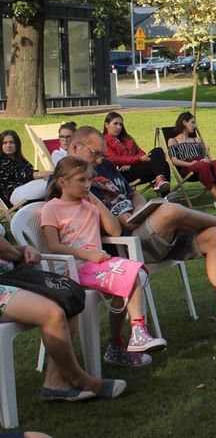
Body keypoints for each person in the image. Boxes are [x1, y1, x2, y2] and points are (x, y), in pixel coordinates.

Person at [67, 126, 216, 335]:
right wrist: (118, 220)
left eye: (102, 154)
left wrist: (139, 208)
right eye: (96, 154)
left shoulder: (106, 166)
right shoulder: (69, 181)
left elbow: (133, 194)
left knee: (213, 236)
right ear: (75, 147)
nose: (100, 160)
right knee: (169, 211)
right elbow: (80, 228)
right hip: (126, 245)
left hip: (147, 229)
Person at [42, 157, 167, 368]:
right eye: (81, 180)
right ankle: (129, 338)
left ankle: (128, 338)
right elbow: (53, 246)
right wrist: (86, 255)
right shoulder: (52, 208)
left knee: (136, 273)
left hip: (97, 265)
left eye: (89, 180)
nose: (87, 185)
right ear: (62, 182)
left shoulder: (90, 205)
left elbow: (115, 231)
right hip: (74, 268)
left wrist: (97, 202)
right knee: (132, 274)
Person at [0, 232, 126, 401]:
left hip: (10, 275)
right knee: (52, 314)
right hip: (6, 281)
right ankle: (80, 379)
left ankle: (55, 382)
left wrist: (23, 249)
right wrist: (18, 254)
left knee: (66, 298)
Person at [168, 111, 216, 210]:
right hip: (187, 167)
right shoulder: (173, 141)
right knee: (203, 166)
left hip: (202, 163)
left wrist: (207, 160)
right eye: (192, 122)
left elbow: (206, 156)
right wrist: (189, 164)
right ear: (184, 122)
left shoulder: (197, 140)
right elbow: (174, 160)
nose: (195, 125)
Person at [103, 112, 171, 196]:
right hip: (123, 173)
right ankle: (166, 195)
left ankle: (160, 181)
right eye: (115, 124)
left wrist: (132, 162)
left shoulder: (126, 138)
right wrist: (137, 159)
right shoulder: (103, 141)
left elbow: (141, 153)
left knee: (158, 151)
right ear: (106, 124)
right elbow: (114, 159)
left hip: (134, 167)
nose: (119, 127)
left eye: (120, 124)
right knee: (163, 164)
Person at [0, 130, 50, 206]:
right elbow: (21, 174)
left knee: (54, 181)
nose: (8, 145)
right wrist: (40, 174)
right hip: (14, 194)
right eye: (5, 143)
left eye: (12, 142)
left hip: (27, 189)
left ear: (17, 144)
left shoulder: (21, 160)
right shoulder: (2, 162)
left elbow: (29, 171)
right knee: (52, 182)